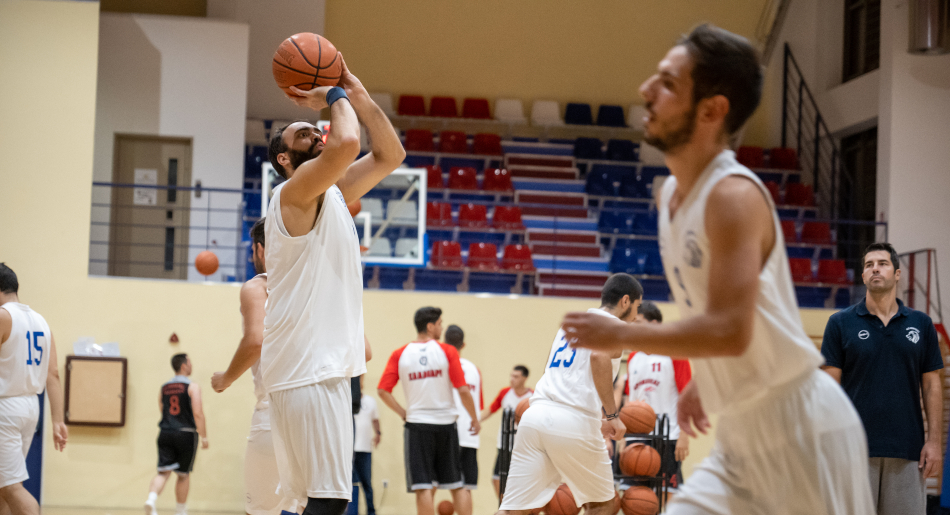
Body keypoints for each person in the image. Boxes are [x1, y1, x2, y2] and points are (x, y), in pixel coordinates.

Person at [562, 24, 873, 515]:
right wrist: (704, 381)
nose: (646, 89)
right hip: (738, 440)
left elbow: (730, 329)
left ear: (712, 109)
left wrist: (621, 334)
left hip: (802, 436)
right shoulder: (669, 197)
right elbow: (714, 310)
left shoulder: (732, 196)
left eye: (667, 83)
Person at [262, 54, 404, 515]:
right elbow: (345, 141)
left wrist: (356, 90)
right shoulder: (292, 192)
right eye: (302, 134)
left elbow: (391, 155)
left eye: (314, 127)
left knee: (309, 501)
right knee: (330, 498)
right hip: (309, 368)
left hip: (309, 368)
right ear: (285, 159)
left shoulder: (333, 194)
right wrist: (332, 95)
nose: (315, 131)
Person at [496, 274, 642, 515]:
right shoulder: (615, 327)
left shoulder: (573, 324)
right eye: (636, 307)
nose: (636, 317)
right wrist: (612, 415)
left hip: (536, 416)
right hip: (573, 420)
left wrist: (598, 419)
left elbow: (551, 368)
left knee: (513, 509)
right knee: (603, 505)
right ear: (625, 301)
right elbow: (598, 357)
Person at [821, 243, 944, 515]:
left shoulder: (921, 323)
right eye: (868, 265)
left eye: (882, 263)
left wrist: (935, 442)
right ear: (863, 276)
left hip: (907, 450)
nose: (875, 268)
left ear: (897, 273)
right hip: (853, 449)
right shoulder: (840, 323)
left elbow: (932, 384)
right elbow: (829, 389)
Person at [210, 218, 294, 515]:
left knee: (259, 511)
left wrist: (225, 379)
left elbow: (255, 340)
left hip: (276, 411)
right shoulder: (316, 285)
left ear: (260, 248)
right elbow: (364, 351)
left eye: (251, 251)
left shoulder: (259, 286)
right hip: (323, 412)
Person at [377, 307, 480, 515]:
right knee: (457, 484)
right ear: (430, 326)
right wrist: (474, 418)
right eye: (440, 323)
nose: (442, 327)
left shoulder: (400, 354)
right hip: (446, 426)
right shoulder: (447, 351)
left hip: (417, 427)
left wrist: (403, 412)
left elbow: (382, 390)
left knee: (423, 486)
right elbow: (463, 390)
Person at [0, 263, 67, 515]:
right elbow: (53, 374)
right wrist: (58, 420)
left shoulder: (3, 317)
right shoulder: (41, 322)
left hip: (5, 408)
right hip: (30, 408)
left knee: (11, 488)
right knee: (5, 488)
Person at [617, 301, 691, 495]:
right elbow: (629, 399)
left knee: (667, 495)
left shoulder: (675, 353)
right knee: (635, 497)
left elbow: (687, 395)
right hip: (637, 435)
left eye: (639, 322)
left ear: (655, 324)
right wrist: (625, 434)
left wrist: (684, 436)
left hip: (668, 435)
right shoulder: (633, 356)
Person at [145, 353, 208, 515]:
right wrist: (204, 436)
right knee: (183, 475)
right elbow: (198, 412)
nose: (192, 365)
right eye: (190, 362)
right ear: (184, 365)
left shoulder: (164, 387)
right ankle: (181, 511)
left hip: (165, 432)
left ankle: (151, 499)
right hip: (185, 433)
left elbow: (162, 408)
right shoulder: (192, 386)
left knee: (163, 472)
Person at [482, 365, 532, 500]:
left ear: (525, 378)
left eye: (516, 376)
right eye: (511, 376)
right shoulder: (505, 393)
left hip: (524, 446)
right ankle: (505, 507)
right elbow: (490, 409)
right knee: (497, 478)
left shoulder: (532, 396)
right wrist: (476, 420)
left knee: (523, 481)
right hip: (505, 444)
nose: (512, 379)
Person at [445, 325, 483, 502]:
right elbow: (478, 405)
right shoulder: (475, 370)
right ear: (464, 344)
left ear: (444, 343)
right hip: (469, 434)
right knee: (466, 487)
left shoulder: (443, 366)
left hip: (447, 432)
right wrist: (475, 420)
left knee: (432, 483)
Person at [348, 375, 380, 515]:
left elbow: (375, 420)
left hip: (365, 450)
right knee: (350, 484)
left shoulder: (370, 402)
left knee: (367, 484)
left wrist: (378, 434)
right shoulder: (346, 402)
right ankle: (350, 512)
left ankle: (371, 512)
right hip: (349, 451)